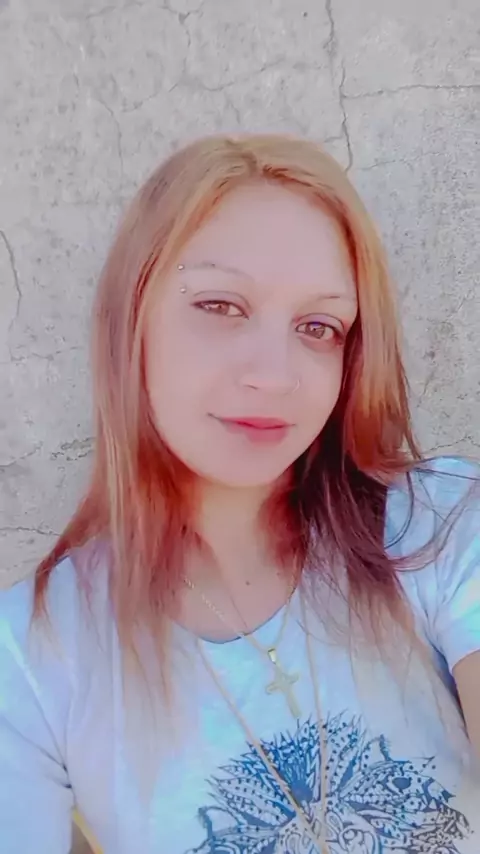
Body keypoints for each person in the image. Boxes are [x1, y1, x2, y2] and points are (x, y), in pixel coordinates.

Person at [0, 134, 479, 854]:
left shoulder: (439, 526)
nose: (274, 374)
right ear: (131, 322)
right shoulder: (31, 657)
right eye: (220, 305)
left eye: (318, 326)